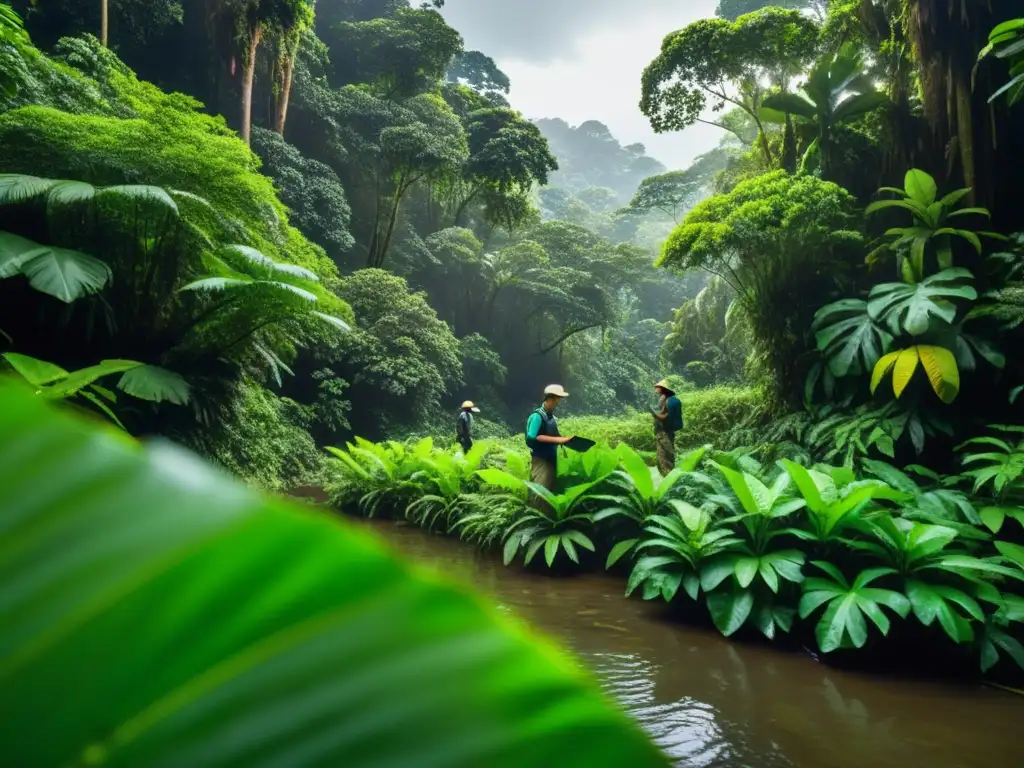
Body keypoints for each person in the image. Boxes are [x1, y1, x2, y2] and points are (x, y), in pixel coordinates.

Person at [525, 384, 573, 495]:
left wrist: (565, 440)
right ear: (550, 398)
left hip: (551, 459)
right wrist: (558, 440)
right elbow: (532, 436)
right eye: (557, 399)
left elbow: (553, 434)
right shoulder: (537, 416)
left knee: (549, 489)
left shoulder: (550, 417)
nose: (557, 402)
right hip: (541, 460)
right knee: (540, 491)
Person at [649, 379, 683, 476]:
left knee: (665, 457)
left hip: (664, 433)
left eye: (657, 387)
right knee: (663, 457)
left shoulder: (666, 400)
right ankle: (668, 478)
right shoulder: (665, 398)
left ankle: (669, 479)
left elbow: (664, 417)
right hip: (665, 432)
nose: (655, 388)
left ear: (663, 388)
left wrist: (652, 412)